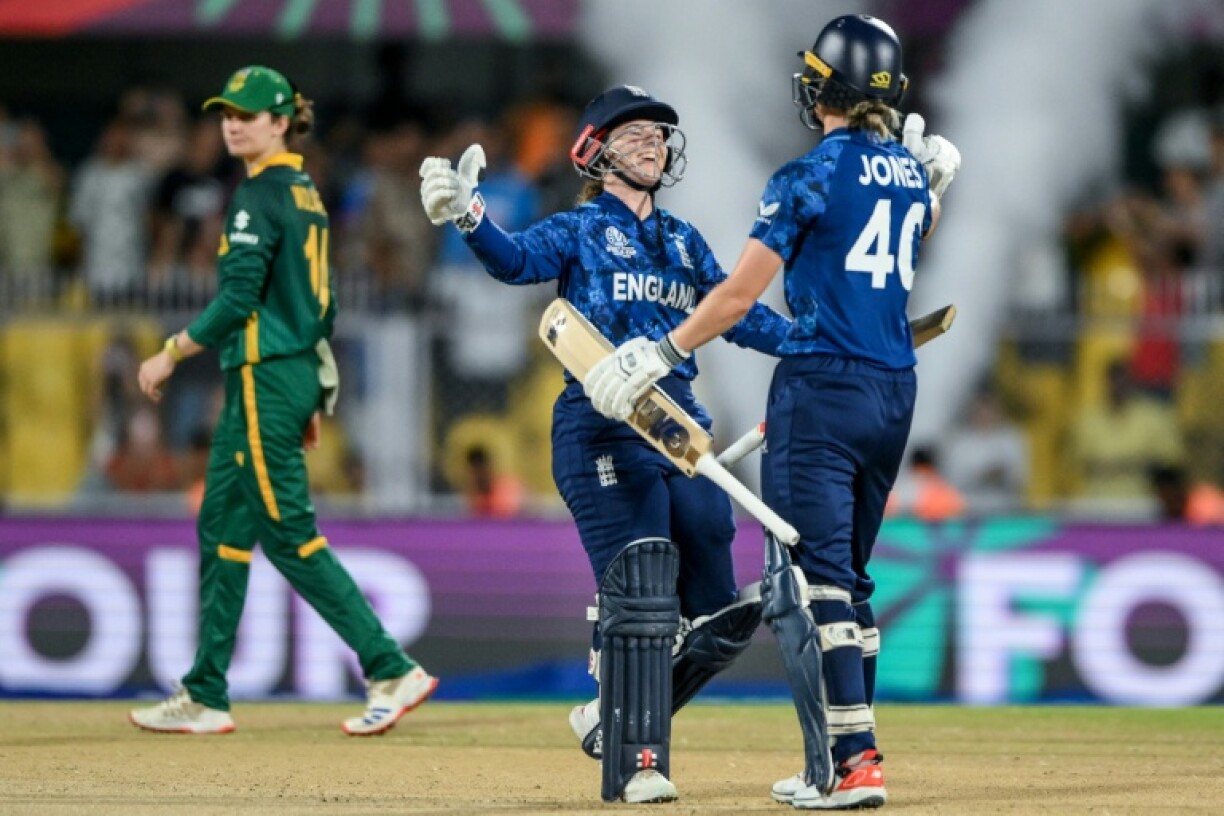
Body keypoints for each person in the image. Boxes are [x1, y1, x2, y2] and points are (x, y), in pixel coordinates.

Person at [583, 16, 960, 811]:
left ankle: (851, 766)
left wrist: (660, 351)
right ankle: (839, 760)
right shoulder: (911, 177)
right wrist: (926, 186)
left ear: (833, 87)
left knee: (807, 582)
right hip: (895, 390)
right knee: (849, 583)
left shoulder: (807, 176)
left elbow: (740, 295)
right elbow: (898, 237)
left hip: (820, 390)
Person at [418, 85, 792, 804]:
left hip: (679, 426)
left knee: (719, 614)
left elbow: (738, 314)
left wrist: (819, 342)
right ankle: (639, 762)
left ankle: (606, 711)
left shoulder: (683, 240)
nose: (654, 142)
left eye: (660, 134)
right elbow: (515, 261)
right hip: (601, 422)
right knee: (645, 585)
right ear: (594, 149)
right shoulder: (581, 227)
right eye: (636, 133)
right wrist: (468, 216)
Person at [129, 66, 436, 737]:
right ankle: (206, 691)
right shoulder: (304, 193)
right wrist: (317, 392)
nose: (232, 123)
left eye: (247, 113)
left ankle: (390, 665)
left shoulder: (257, 197)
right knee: (223, 527)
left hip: (265, 376)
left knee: (289, 536)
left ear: (279, 122)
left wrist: (170, 351)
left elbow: (239, 300)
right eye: (225, 113)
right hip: (282, 376)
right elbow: (322, 306)